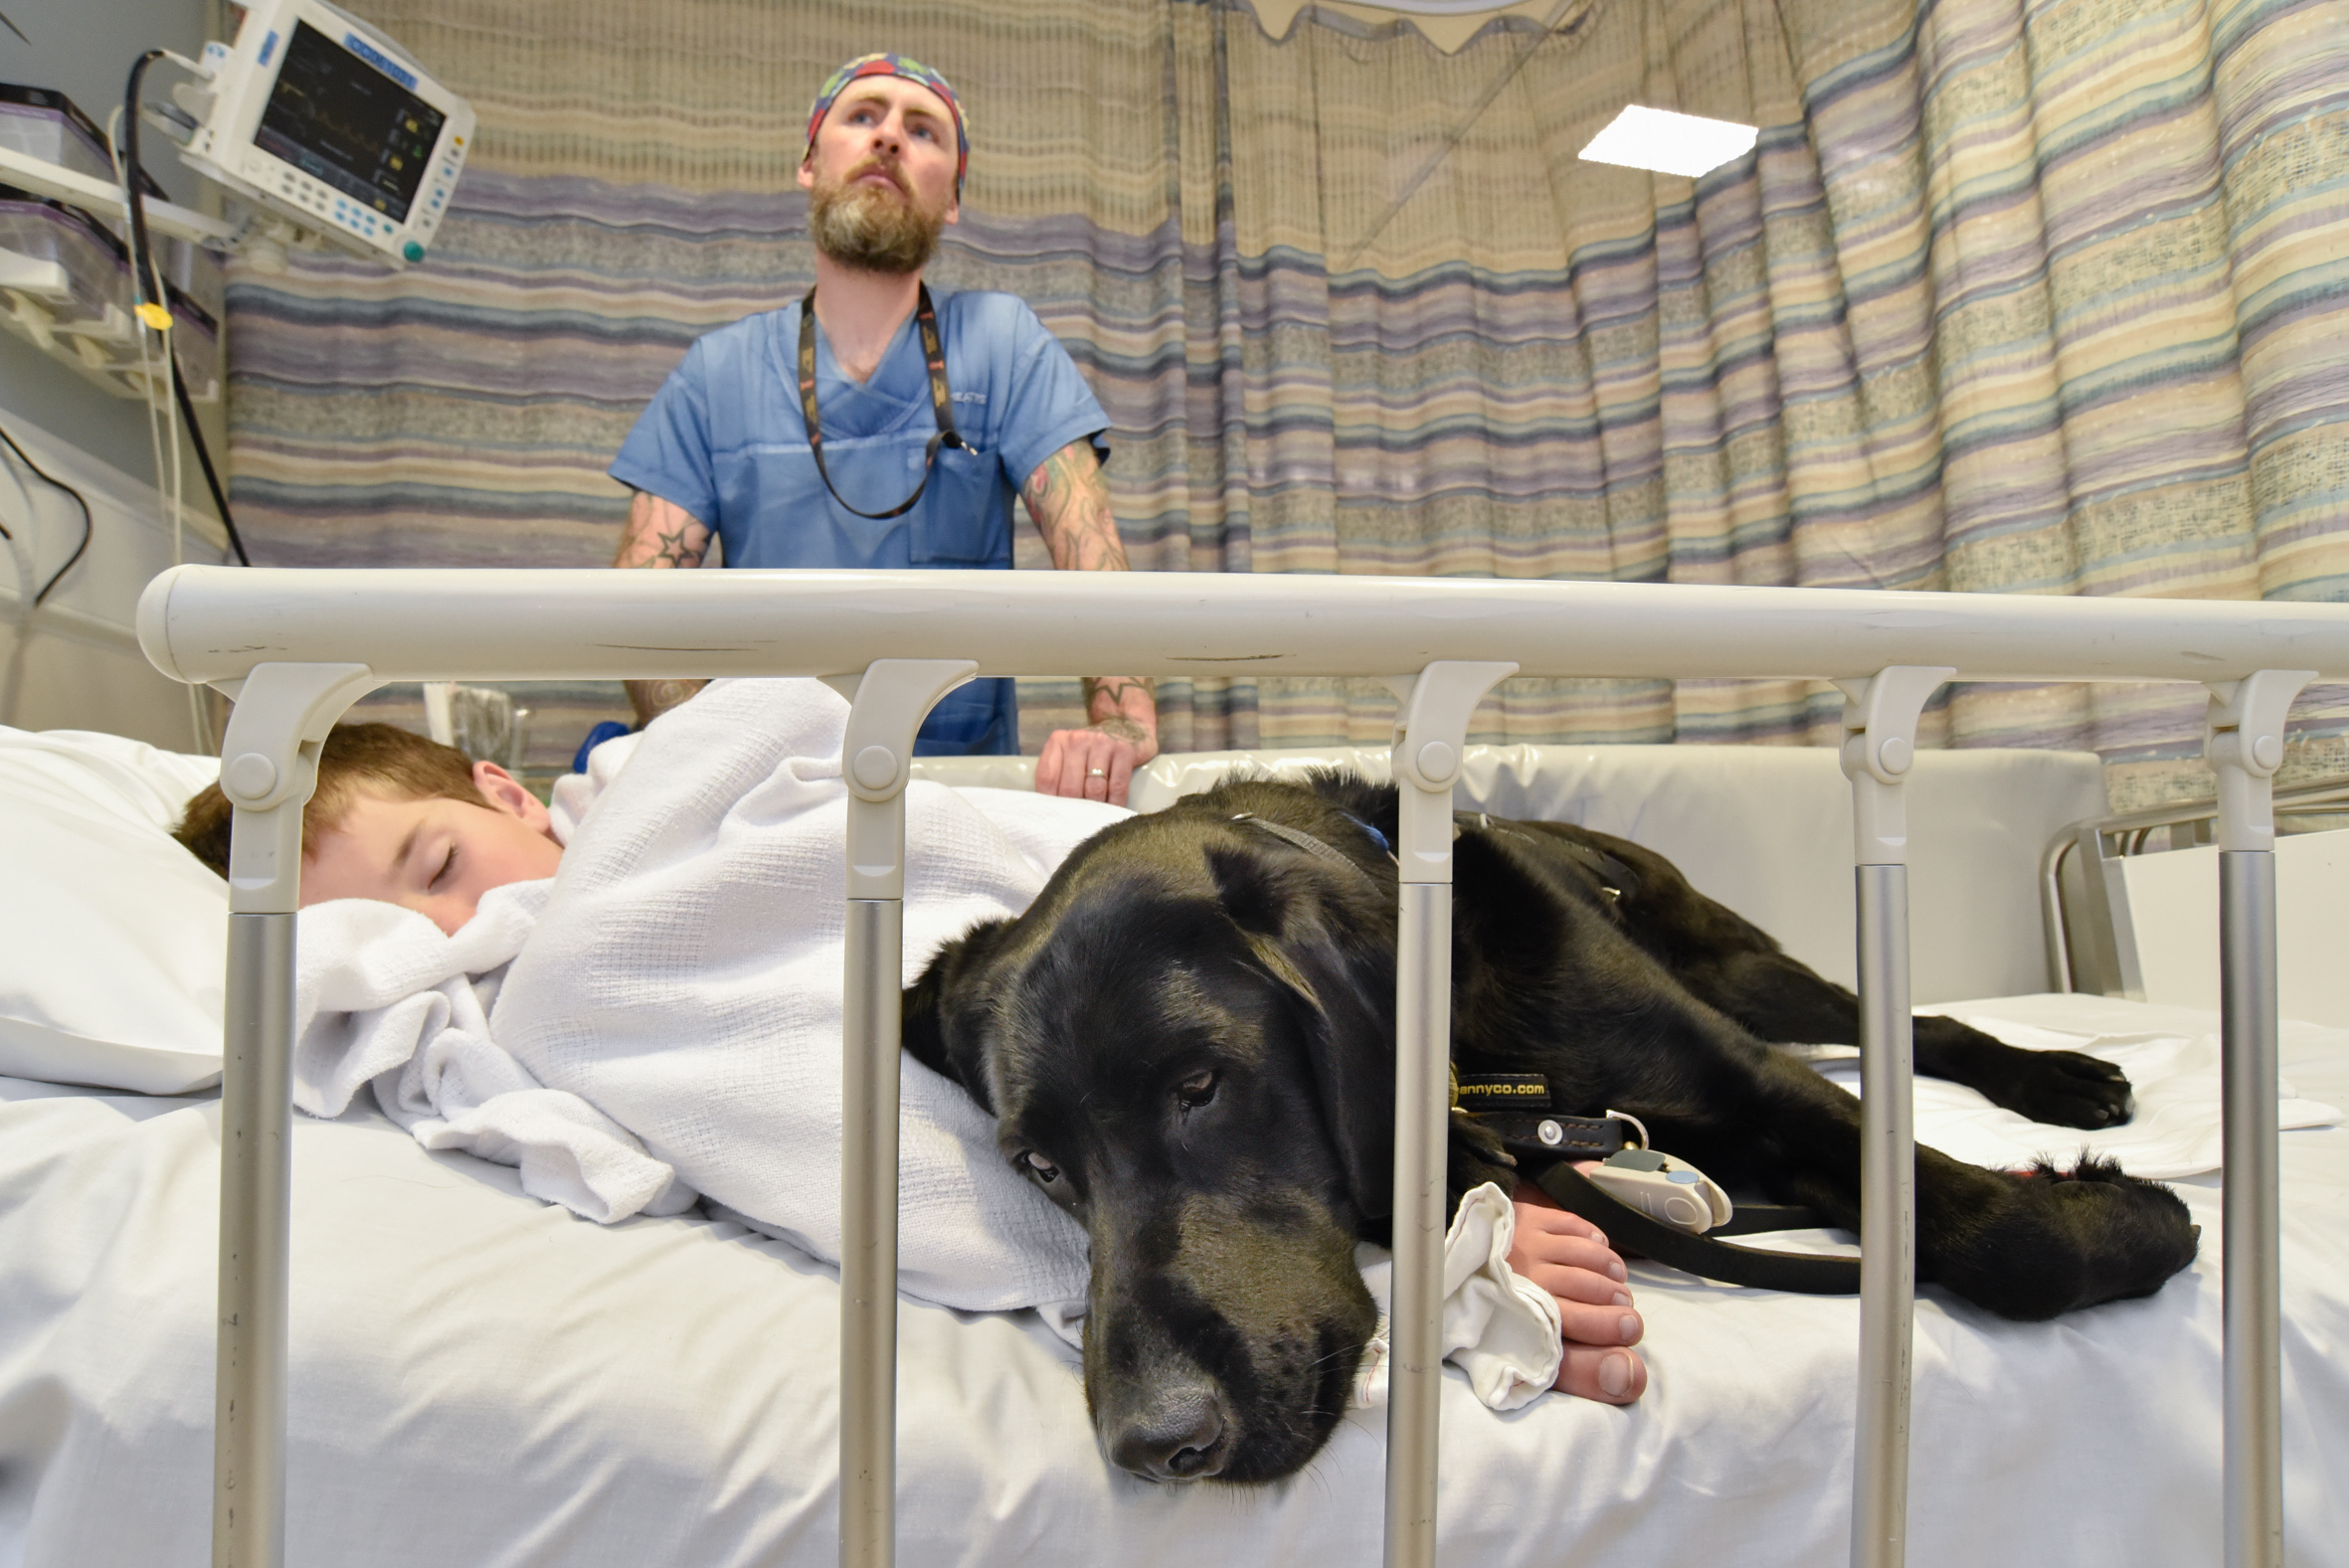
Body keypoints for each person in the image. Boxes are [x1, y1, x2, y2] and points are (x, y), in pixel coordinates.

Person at [169, 719, 1649, 1404]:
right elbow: (833, 1120)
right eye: (389, 934)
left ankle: (1388, 1162)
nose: (463, 923)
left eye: (439, 860)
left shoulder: (672, 793)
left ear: (505, 785)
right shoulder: (556, 1002)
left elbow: (849, 770)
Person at [607, 53, 1158, 805]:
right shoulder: (718, 374)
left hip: (956, 794)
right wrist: (719, 766)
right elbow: (645, 608)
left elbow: (1093, 558)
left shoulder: (1002, 343)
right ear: (811, 162)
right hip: (765, 797)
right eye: (863, 116)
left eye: (923, 130)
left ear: (953, 198)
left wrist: (1120, 724)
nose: (890, 138)